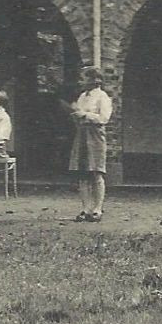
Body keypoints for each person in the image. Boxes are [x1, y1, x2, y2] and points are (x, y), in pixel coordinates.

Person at [69, 67, 112, 222]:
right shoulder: (82, 97)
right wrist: (76, 115)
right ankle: (85, 208)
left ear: (95, 80)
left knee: (96, 172)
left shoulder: (102, 97)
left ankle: (97, 209)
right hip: (82, 134)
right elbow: (78, 115)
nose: (80, 81)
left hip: (95, 135)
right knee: (82, 173)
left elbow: (104, 118)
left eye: (83, 78)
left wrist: (85, 115)